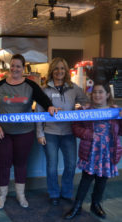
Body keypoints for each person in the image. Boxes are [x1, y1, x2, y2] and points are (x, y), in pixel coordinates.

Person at [0, 54, 59, 210]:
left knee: (21, 164)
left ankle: (21, 195)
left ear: (23, 68)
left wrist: (50, 107)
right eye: (12, 65)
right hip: (2, 132)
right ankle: (2, 196)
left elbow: (44, 100)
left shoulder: (30, 85)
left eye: (18, 66)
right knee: (4, 164)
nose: (15, 69)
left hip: (24, 132)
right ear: (9, 67)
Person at [64, 82, 122, 220]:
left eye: (100, 92)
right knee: (86, 179)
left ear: (107, 94)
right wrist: (88, 134)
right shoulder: (85, 110)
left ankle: (96, 204)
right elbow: (75, 127)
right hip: (91, 150)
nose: (97, 95)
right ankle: (77, 206)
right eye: (95, 92)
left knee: (102, 179)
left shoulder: (115, 111)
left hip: (108, 151)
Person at [36, 57, 88, 206]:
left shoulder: (74, 88)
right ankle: (53, 193)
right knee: (52, 166)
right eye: (57, 68)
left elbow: (85, 101)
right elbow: (39, 112)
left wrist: (81, 107)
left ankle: (66, 193)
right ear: (52, 71)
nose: (59, 71)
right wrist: (39, 134)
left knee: (71, 165)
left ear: (66, 71)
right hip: (50, 133)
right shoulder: (44, 90)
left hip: (68, 133)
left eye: (62, 68)